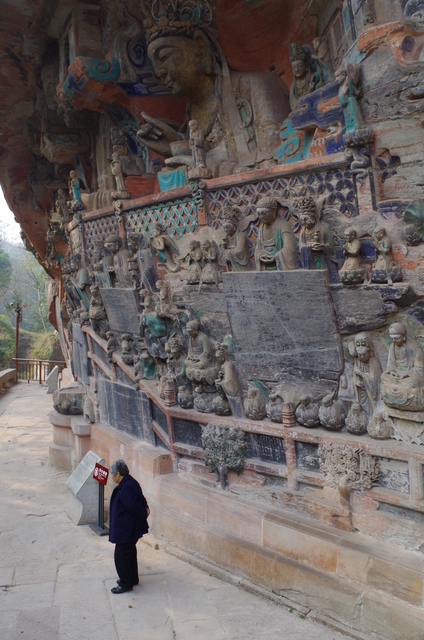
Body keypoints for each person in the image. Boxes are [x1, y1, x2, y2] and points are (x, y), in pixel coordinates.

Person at [108, 460, 150, 594]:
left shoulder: (126, 487)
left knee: (121, 555)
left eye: (112, 474)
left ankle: (126, 583)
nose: (112, 477)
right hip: (128, 528)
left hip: (127, 528)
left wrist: (144, 511)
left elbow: (133, 505)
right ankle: (132, 578)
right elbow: (141, 499)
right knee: (130, 553)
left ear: (118, 474)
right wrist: (145, 508)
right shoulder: (130, 482)